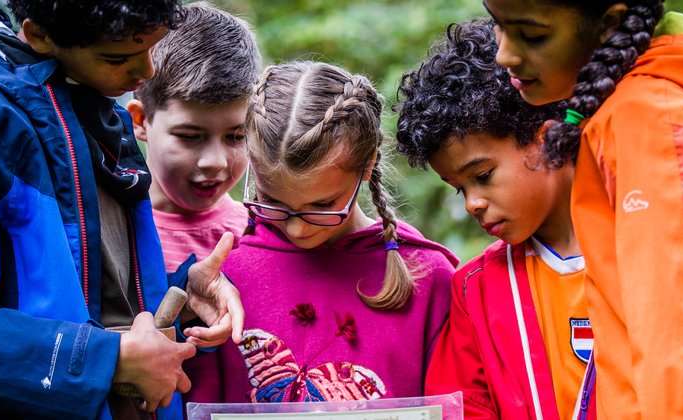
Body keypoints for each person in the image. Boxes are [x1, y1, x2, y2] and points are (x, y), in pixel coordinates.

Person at [0, 1, 244, 418]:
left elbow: (106, 297)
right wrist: (106, 359)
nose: (146, 73)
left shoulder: (99, 115)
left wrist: (185, 293)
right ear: (40, 34)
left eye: (152, 48)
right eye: (118, 58)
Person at [484, 0, 683, 417]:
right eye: (498, 25)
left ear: (609, 24)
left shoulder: (642, 116)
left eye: (532, 35)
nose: (504, 54)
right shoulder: (632, 108)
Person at [185, 61, 459, 404]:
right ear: (253, 167)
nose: (298, 228)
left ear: (368, 165)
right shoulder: (224, 281)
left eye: (322, 205)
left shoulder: (428, 275)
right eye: (273, 201)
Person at [395, 18, 594, 419]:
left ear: (549, 140)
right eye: (459, 188)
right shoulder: (476, 290)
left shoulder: (644, 241)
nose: (472, 204)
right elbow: (462, 407)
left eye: (482, 176)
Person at [126, 1, 260, 274]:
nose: (215, 162)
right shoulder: (106, 227)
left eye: (236, 136)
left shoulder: (254, 235)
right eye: (189, 136)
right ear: (140, 121)